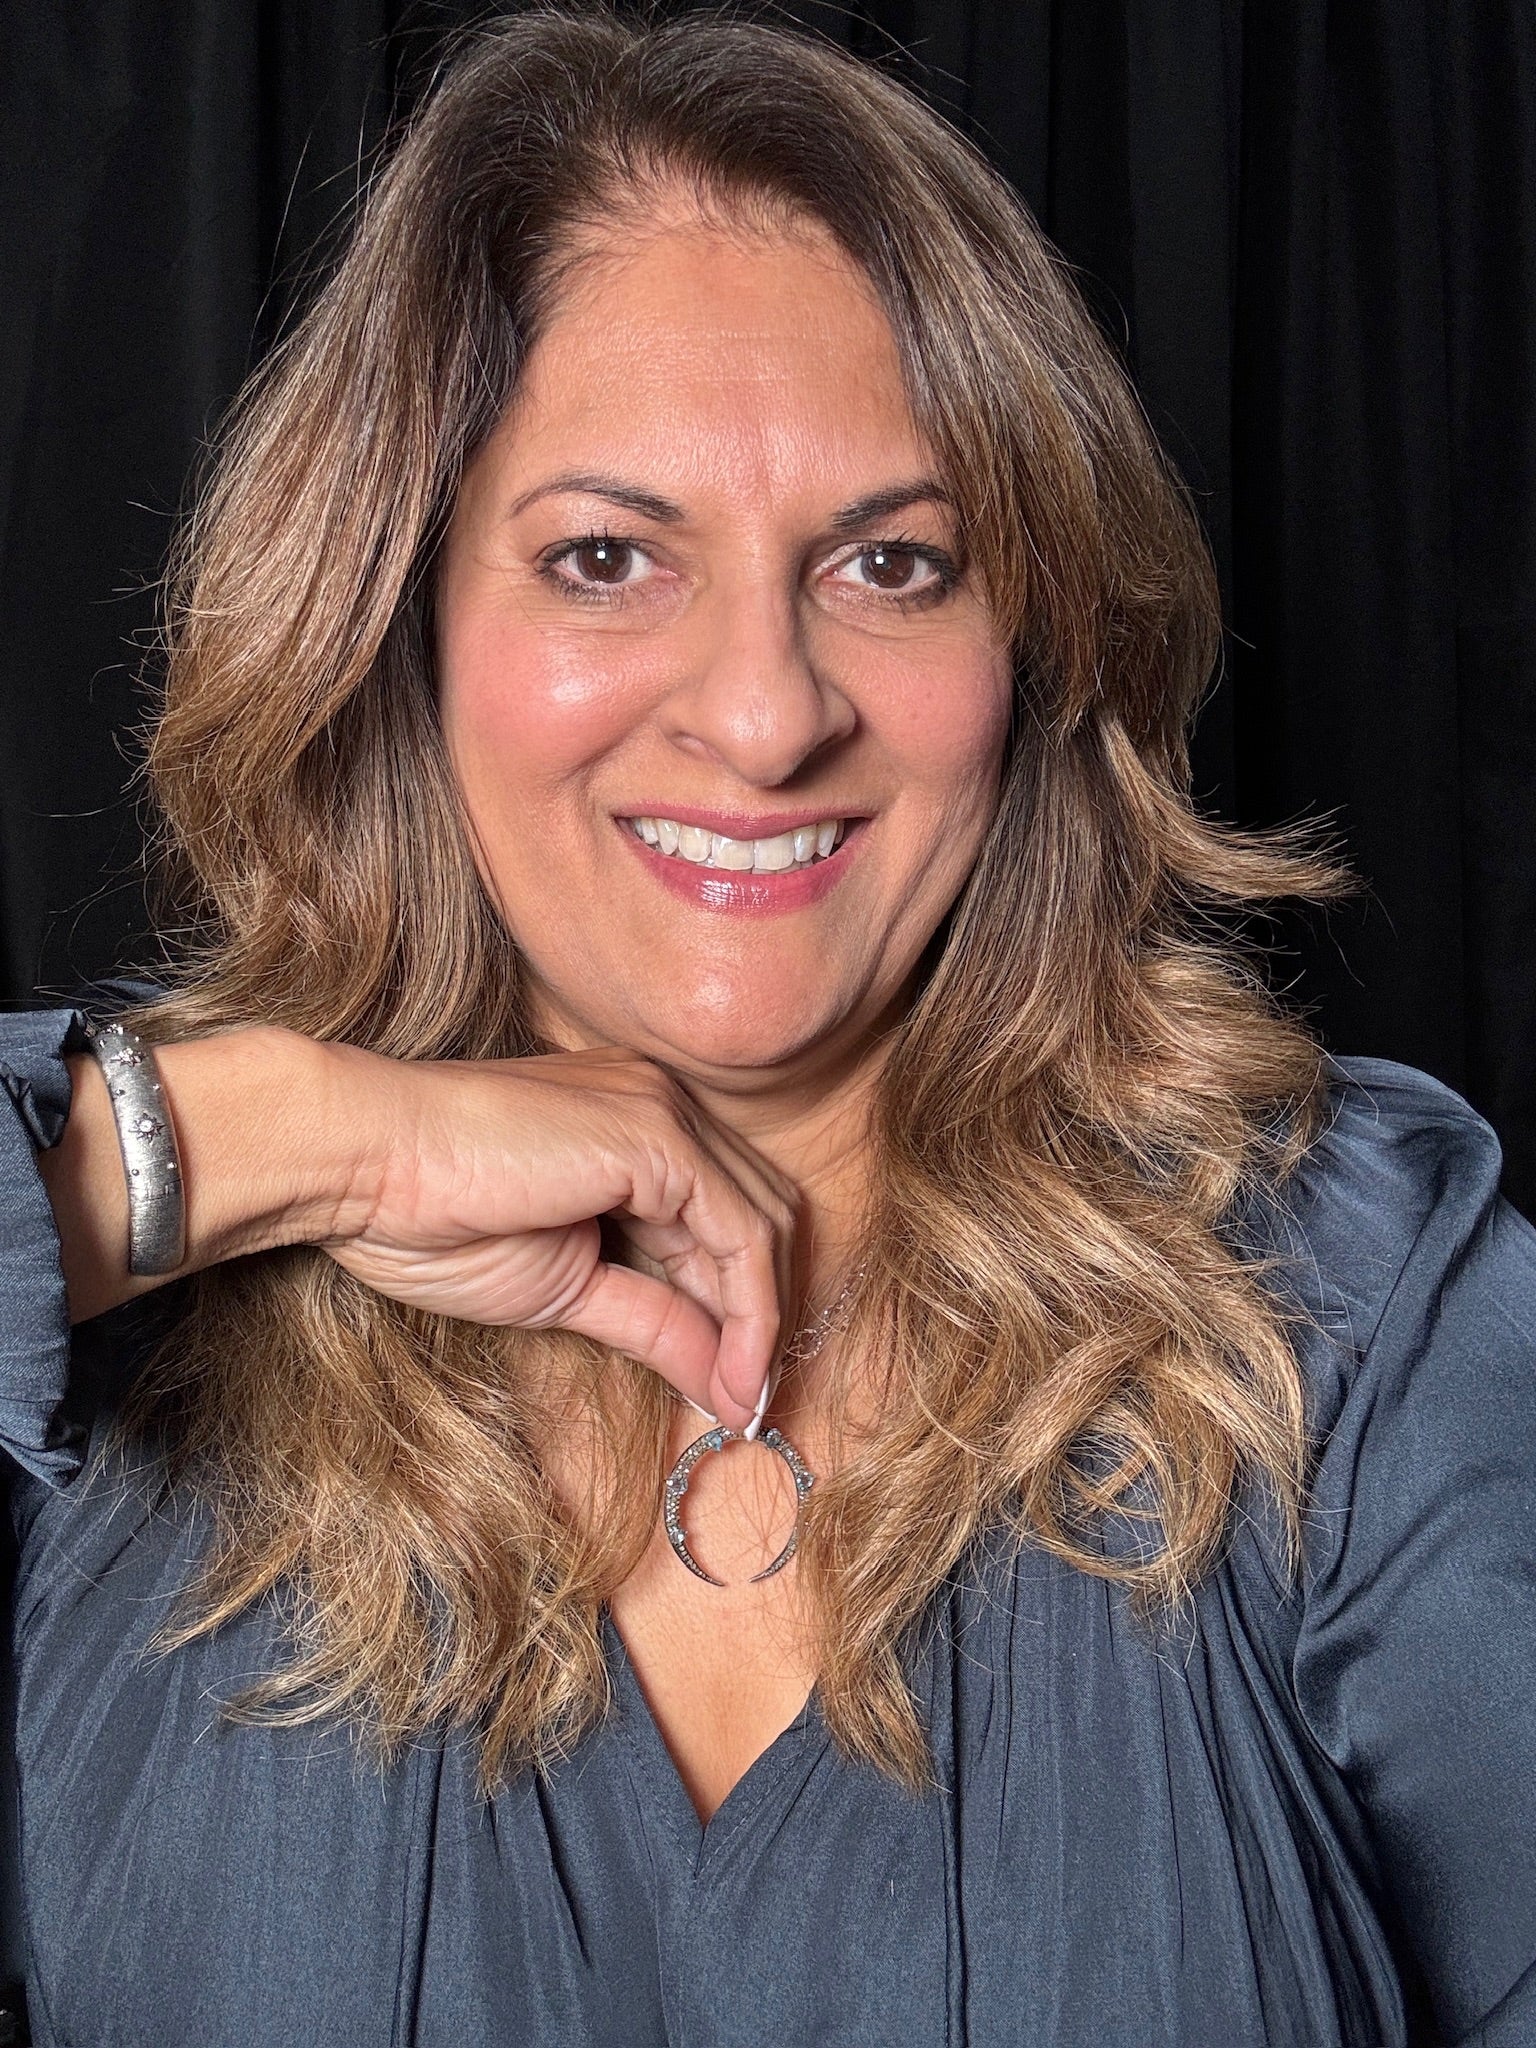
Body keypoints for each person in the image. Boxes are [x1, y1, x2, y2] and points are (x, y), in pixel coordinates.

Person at [3, 10, 1534, 2045]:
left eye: (892, 563)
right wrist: (275, 1145)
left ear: (1041, 640)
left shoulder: (1357, 1309)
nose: (764, 708)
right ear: (398, 622)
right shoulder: (121, 1294)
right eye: (608, 558)